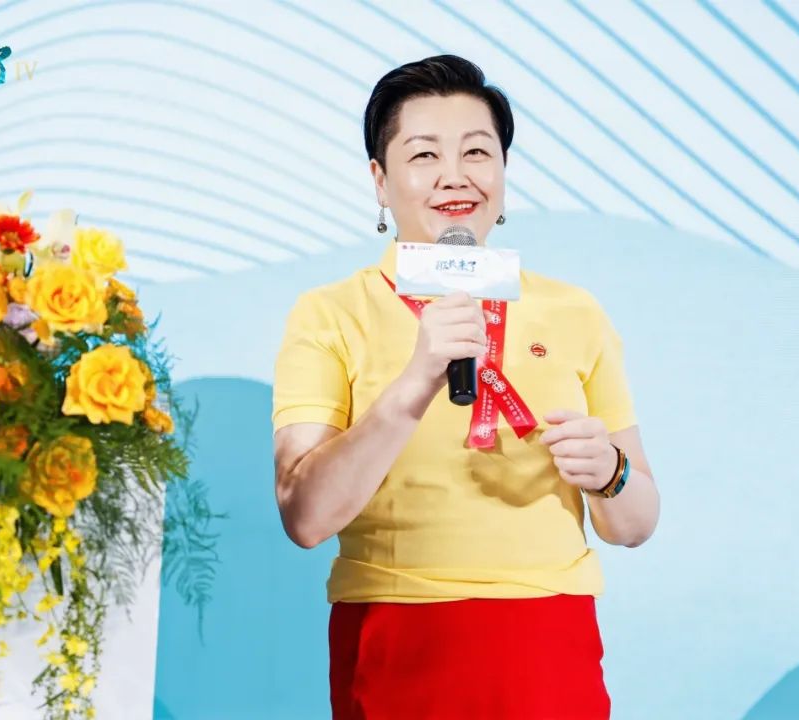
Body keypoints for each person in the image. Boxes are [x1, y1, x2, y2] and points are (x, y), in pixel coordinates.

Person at [271, 54, 660, 719]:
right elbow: (304, 517)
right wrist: (413, 384)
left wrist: (610, 472)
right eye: (424, 154)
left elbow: (637, 522)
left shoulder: (574, 311)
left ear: (503, 171)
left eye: (477, 152)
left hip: (550, 642)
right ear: (380, 180)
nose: (455, 176)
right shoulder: (330, 313)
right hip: (397, 639)